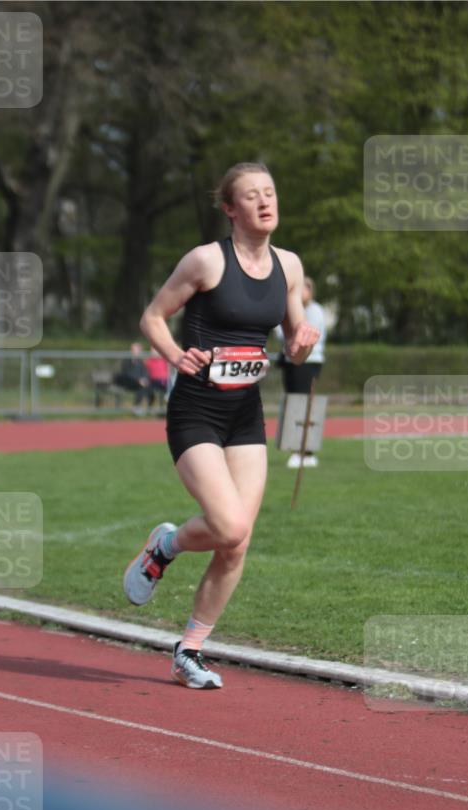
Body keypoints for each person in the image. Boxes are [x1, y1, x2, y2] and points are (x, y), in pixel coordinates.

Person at [123, 162, 320, 689]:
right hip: (196, 411)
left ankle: (190, 649)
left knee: (237, 540)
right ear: (230, 208)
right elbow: (152, 317)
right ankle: (163, 547)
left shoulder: (290, 267)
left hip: (245, 413)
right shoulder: (206, 261)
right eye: (251, 195)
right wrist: (173, 354)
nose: (264, 201)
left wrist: (302, 345)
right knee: (229, 525)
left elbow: (294, 342)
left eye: (270, 193)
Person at [277, 276, 327, 468]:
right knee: (293, 403)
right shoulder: (289, 309)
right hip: (290, 360)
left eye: (304, 289)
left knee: (304, 403)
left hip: (309, 361)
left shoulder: (315, 311)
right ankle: (295, 448)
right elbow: (281, 332)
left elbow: (306, 335)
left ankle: (306, 450)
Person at [114, 341, 152, 413]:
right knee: (141, 385)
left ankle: (147, 409)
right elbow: (126, 374)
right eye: (135, 350)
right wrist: (138, 380)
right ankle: (136, 407)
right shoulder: (126, 361)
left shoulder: (141, 362)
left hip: (140, 383)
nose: (137, 352)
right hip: (129, 382)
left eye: (139, 350)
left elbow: (145, 373)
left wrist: (145, 379)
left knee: (148, 387)